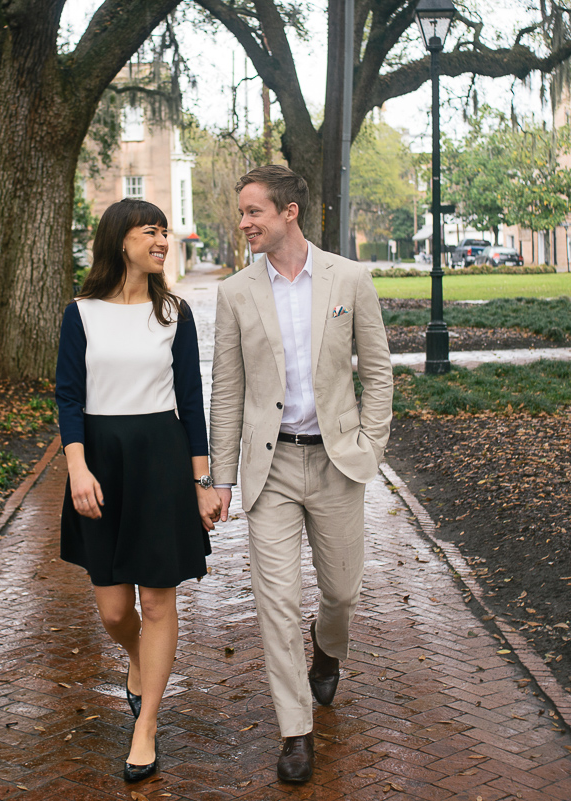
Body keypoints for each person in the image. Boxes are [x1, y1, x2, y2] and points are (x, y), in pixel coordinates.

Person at [209, 165, 393, 783]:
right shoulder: (235, 292)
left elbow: (380, 369)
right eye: (242, 213)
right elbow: (227, 390)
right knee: (276, 602)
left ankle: (328, 647)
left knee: (341, 592)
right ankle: (296, 732)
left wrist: (371, 442)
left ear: (288, 212)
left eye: (253, 212)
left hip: (338, 460)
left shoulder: (350, 278)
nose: (244, 223)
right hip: (273, 467)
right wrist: (221, 478)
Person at [55, 198, 222, 783]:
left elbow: (191, 401)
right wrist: (77, 467)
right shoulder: (81, 314)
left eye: (165, 232)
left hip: (159, 461)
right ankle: (137, 660)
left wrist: (202, 481)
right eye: (150, 230)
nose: (161, 240)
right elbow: (69, 397)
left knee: (157, 601)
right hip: (99, 461)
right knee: (113, 609)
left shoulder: (174, 312)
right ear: (119, 240)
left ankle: (145, 724)